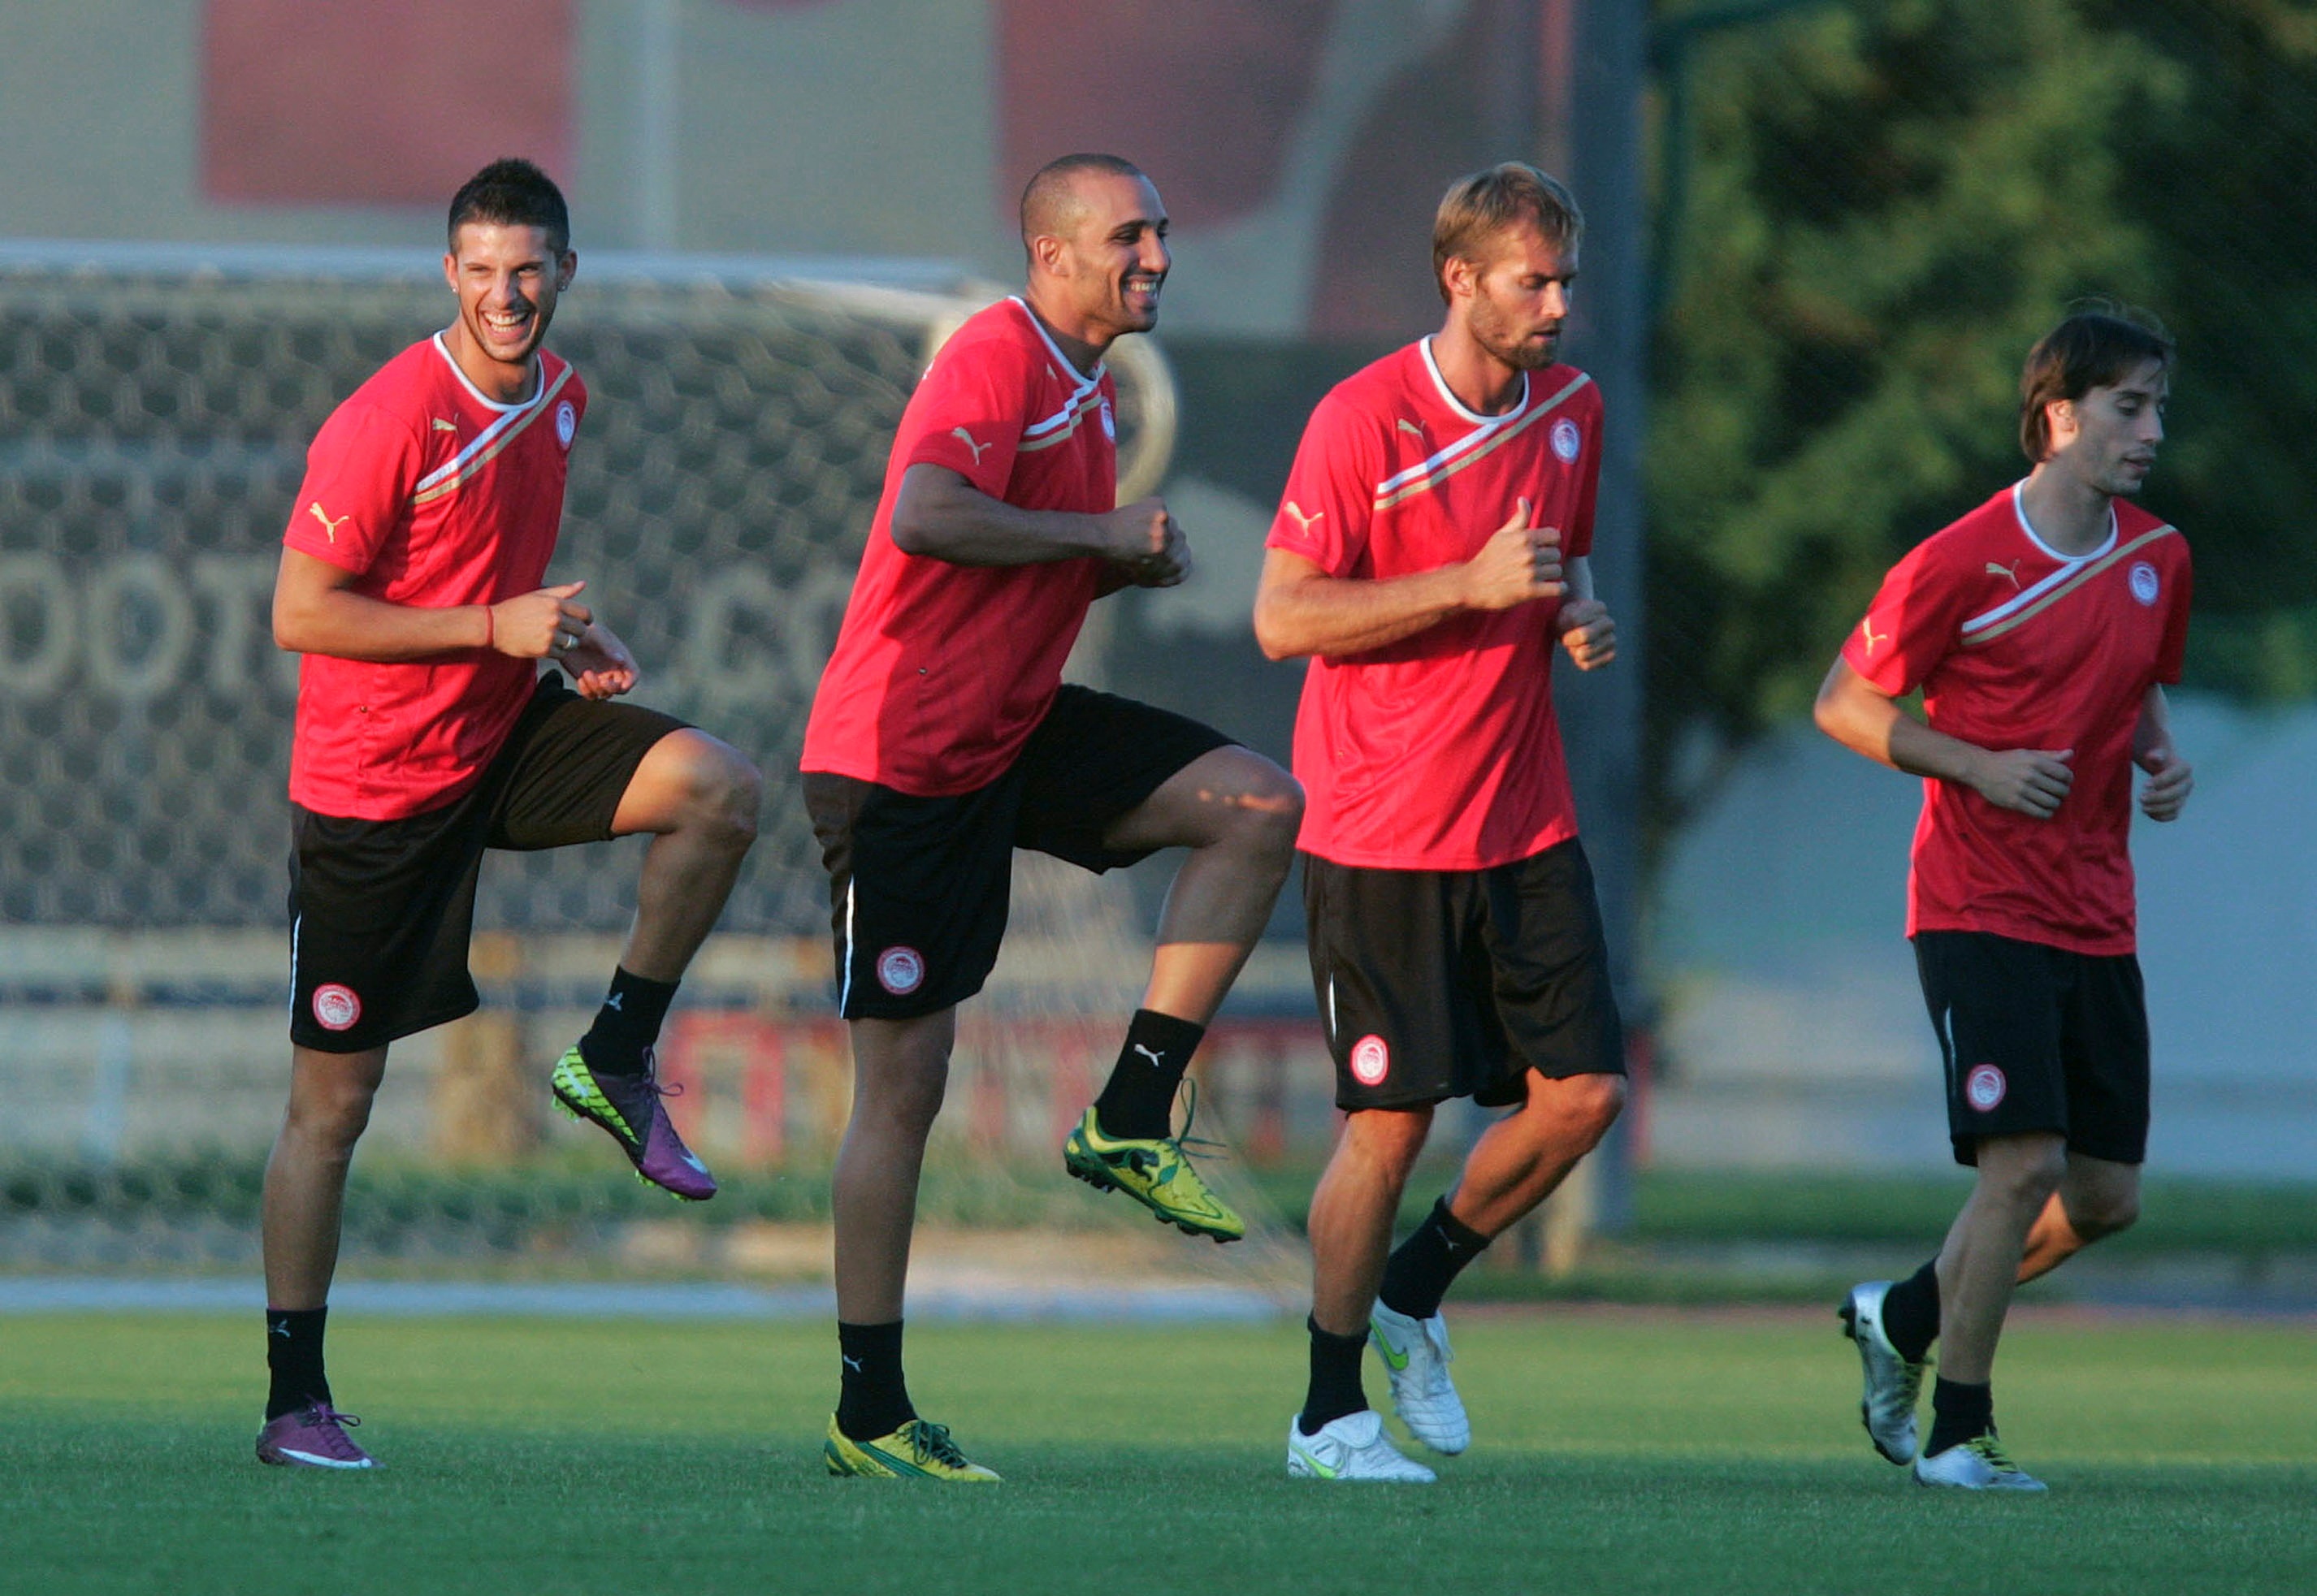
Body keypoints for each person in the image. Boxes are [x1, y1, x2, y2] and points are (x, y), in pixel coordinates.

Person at [799, 153, 1302, 1482]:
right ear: (1053, 254)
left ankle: (1132, 1112)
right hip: (902, 759)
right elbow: (925, 513)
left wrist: (1122, 550)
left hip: (1014, 730)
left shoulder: (1085, 393)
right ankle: (869, 1408)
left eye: (1164, 232)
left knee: (1256, 804)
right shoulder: (997, 354)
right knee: (903, 1092)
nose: (1158, 257)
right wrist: (1097, 540)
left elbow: (1024, 570)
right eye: (1131, 234)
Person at [257, 158, 762, 1469]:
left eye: (527, 267)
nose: (506, 293)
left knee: (719, 788)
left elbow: (492, 577)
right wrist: (493, 624)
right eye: (480, 270)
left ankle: (616, 1053)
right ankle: (293, 1399)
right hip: (375, 795)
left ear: (566, 274)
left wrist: (559, 645)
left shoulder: (564, 397)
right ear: (448, 276)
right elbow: (300, 611)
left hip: (502, 735)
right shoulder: (390, 417)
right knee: (335, 1110)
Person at [1252, 162, 1627, 1484]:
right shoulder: (1363, 420)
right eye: (1535, 280)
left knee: (1583, 1096)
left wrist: (1571, 608)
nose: (1558, 305)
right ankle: (1324, 1415)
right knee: (1390, 1127)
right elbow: (1284, 616)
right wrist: (1462, 587)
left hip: (1523, 819)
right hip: (1379, 830)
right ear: (1461, 279)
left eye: (1567, 280)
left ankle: (1418, 1284)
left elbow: (1559, 554)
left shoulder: (1572, 410)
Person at [1817, 304, 2193, 1491]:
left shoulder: (2159, 557)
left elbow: (2134, 685)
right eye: (2130, 407)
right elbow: (1844, 701)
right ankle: (1960, 1431)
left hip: (2097, 908)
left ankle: (1906, 1318)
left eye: (2158, 407)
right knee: (2018, 1165)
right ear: (2057, 416)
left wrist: (2158, 755)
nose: (2151, 430)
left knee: (2104, 1196)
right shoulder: (1960, 559)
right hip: (1976, 900)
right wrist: (1978, 765)